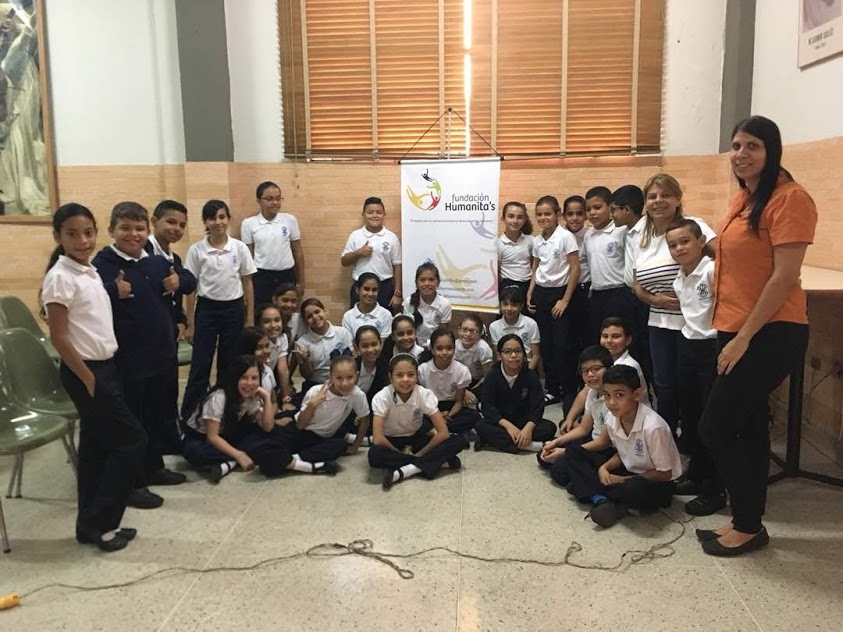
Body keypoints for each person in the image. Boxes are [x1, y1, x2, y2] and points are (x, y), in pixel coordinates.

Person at [697, 116, 817, 557]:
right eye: (736, 146)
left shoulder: (790, 199)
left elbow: (784, 278)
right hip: (733, 325)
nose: (741, 154)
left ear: (772, 151)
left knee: (715, 427)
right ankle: (747, 521)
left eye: (753, 146)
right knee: (747, 426)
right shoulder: (744, 199)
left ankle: (747, 522)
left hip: (770, 330)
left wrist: (743, 338)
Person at [42, 203, 147, 552]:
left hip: (104, 367)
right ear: (58, 236)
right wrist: (89, 379)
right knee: (131, 442)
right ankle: (103, 524)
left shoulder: (87, 271)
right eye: (72, 234)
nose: (82, 240)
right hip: (86, 371)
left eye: (88, 233)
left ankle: (89, 526)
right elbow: (59, 337)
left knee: (95, 450)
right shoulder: (60, 277)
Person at [92, 202, 184, 511]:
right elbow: (86, 301)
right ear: (112, 230)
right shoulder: (102, 265)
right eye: (126, 228)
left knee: (156, 416)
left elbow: (185, 280)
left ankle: (153, 467)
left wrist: (178, 282)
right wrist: (110, 290)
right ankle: (131, 483)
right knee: (132, 425)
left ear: (148, 230)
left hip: (160, 356)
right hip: (129, 360)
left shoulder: (155, 262)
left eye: (139, 229)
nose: (133, 234)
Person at [633, 174, 716, 432]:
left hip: (693, 324)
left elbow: (723, 261)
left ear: (678, 199)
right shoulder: (640, 237)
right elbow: (636, 284)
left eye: (665, 195)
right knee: (664, 384)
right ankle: (666, 436)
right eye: (652, 196)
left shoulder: (693, 226)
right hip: (658, 321)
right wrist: (653, 299)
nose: (658, 201)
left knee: (690, 387)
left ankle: (695, 438)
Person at [182, 356, 337, 482]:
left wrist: (266, 398)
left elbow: (268, 427)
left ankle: (228, 463)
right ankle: (304, 466)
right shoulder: (219, 397)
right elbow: (212, 437)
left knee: (273, 435)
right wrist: (239, 455)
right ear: (234, 378)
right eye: (244, 378)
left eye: (254, 378)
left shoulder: (251, 395)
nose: (250, 383)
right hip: (202, 438)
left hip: (231, 434)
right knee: (193, 451)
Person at [565, 365, 683, 528]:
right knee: (573, 451)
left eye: (619, 395)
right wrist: (605, 468)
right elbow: (624, 452)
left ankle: (593, 491)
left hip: (654, 483)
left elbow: (664, 473)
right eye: (607, 395)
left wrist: (621, 480)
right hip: (629, 470)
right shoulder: (613, 418)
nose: (611, 402)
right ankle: (601, 499)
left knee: (634, 488)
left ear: (636, 394)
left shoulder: (653, 427)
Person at [666, 219, 725, 516]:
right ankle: (697, 476)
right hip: (687, 346)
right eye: (673, 245)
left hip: (711, 348)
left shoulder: (713, 270)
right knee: (689, 416)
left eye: (685, 242)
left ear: (701, 242)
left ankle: (716, 489)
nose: (679, 248)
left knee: (710, 420)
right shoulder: (680, 279)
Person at [181, 200, 257, 420]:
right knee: (200, 365)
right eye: (212, 218)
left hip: (233, 309)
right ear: (205, 222)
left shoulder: (239, 248)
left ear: (228, 219)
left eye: (222, 217)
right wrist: (190, 323)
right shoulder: (197, 250)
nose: (218, 222)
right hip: (207, 310)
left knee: (229, 364)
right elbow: (191, 288)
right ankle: (190, 416)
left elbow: (248, 283)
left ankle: (224, 414)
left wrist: (249, 318)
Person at [368, 354, 468, 489]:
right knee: (374, 455)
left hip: (416, 438)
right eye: (399, 375)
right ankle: (432, 463)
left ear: (417, 376)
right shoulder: (382, 397)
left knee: (458, 441)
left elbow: (443, 433)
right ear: (391, 377)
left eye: (411, 375)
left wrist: (420, 454)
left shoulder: (423, 394)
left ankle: (406, 471)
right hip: (391, 441)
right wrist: (399, 453)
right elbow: (379, 438)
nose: (405, 380)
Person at [527, 195, 581, 408]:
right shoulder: (537, 240)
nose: (543, 218)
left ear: (557, 214)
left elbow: (575, 269)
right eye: (539, 214)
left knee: (562, 346)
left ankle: (568, 390)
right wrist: (530, 292)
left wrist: (565, 300)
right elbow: (536, 268)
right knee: (546, 345)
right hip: (541, 293)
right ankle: (552, 389)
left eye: (547, 214)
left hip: (560, 295)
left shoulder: (566, 237)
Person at [538, 346, 614, 476]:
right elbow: (584, 428)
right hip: (592, 439)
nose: (590, 375)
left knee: (559, 471)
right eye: (585, 371)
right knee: (544, 456)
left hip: (608, 450)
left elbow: (604, 443)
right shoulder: (592, 392)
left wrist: (566, 452)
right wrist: (556, 442)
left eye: (596, 369)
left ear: (609, 369)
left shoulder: (612, 399)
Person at [475, 334, 556, 453]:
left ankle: (502, 442)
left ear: (523, 353)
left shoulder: (530, 375)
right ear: (500, 355)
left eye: (518, 351)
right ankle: (529, 446)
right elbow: (488, 407)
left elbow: (537, 406)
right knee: (480, 425)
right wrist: (508, 426)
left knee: (549, 428)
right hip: (502, 422)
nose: (513, 355)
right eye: (507, 352)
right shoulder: (492, 376)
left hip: (523, 420)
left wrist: (528, 428)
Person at [611, 184, 652, 385]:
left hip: (644, 296)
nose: (612, 215)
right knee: (635, 345)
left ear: (626, 209)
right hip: (629, 294)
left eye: (614, 210)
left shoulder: (646, 231)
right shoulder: (628, 231)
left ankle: (649, 390)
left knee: (645, 346)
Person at [240, 181, 305, 306]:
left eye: (278, 198)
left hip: (286, 275)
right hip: (262, 276)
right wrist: (247, 285)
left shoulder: (289, 220)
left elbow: (297, 251)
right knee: (262, 310)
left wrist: (301, 281)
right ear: (259, 201)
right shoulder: (249, 223)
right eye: (269, 199)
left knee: (287, 310)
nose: (275, 203)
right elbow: (247, 257)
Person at [294, 355, 370, 457]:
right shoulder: (315, 391)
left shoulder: (357, 394)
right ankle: (298, 460)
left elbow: (365, 419)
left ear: (357, 376)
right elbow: (299, 425)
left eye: (350, 377)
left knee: (339, 446)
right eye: (339, 378)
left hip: (324, 437)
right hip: (302, 431)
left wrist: (356, 446)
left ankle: (298, 459)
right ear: (330, 377)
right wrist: (312, 405)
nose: (344, 383)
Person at [144, 200, 197, 345]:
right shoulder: (142, 252)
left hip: (168, 330)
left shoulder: (175, 259)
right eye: (171, 222)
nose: (177, 229)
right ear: (154, 222)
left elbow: (190, 282)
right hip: (146, 330)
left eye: (182, 225)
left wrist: (181, 320)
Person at [585, 187, 631, 343]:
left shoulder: (621, 231)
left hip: (618, 293)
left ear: (609, 207)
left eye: (597, 207)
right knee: (598, 337)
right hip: (597, 295)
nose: (592, 213)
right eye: (588, 209)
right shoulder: (588, 235)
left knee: (618, 338)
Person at [341, 196, 403, 309]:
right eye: (370, 212)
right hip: (361, 287)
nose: (374, 215)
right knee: (357, 319)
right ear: (363, 214)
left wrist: (397, 293)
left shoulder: (391, 237)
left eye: (379, 212)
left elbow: (397, 265)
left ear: (384, 214)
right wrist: (358, 253)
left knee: (385, 319)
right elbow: (344, 261)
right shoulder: (355, 236)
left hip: (384, 288)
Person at [418, 329, 481, 434]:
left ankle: (438, 431)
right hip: (430, 409)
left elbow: (459, 401)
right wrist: (437, 416)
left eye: (449, 348)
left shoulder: (461, 370)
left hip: (452, 409)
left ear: (454, 349)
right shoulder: (422, 370)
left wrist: (448, 416)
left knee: (474, 417)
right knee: (416, 419)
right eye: (439, 348)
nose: (444, 353)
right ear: (432, 350)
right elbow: (422, 402)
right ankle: (447, 432)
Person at [344, 325, 390, 446]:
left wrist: (364, 413)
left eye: (374, 344)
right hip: (352, 410)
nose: (370, 350)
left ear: (381, 344)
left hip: (373, 411)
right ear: (357, 347)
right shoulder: (351, 366)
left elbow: (384, 398)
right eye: (365, 346)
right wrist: (357, 412)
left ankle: (364, 438)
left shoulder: (387, 367)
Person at [295, 298, 354, 391]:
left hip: (342, 383)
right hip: (316, 385)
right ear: (305, 321)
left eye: (317, 312)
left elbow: (352, 362)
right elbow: (307, 376)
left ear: (325, 311)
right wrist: (305, 361)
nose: (315, 317)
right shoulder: (302, 343)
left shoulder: (343, 333)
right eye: (309, 316)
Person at [562, 194, 592, 358]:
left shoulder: (591, 235)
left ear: (585, 215)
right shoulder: (559, 236)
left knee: (587, 335)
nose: (574, 218)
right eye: (570, 214)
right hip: (564, 291)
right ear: (563, 216)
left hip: (586, 290)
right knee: (567, 338)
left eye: (579, 213)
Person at [598, 317, 650, 407]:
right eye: (605, 336)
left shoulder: (628, 366)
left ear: (628, 340)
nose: (609, 341)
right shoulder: (601, 360)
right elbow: (587, 392)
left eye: (615, 336)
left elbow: (621, 405)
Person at [489, 285, 541, 371]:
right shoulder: (494, 326)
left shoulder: (531, 324)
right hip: (506, 367)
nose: (509, 308)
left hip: (527, 366)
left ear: (521, 306)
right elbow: (499, 356)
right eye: (505, 304)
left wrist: (527, 374)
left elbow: (535, 355)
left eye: (514, 305)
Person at [255, 303, 295, 411]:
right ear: (259, 324)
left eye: (277, 320)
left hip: (269, 381)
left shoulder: (282, 338)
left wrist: (286, 399)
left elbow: (283, 369)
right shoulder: (255, 340)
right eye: (267, 321)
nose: (273, 325)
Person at [403, 262, 452, 348]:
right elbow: (407, 330)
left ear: (438, 283)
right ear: (416, 283)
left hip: (435, 346)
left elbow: (442, 334)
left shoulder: (445, 304)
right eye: (422, 280)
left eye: (431, 280)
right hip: (412, 345)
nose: (427, 283)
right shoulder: (408, 302)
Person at [496, 201, 534, 302]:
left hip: (528, 286)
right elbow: (497, 272)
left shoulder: (531, 240)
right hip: (507, 287)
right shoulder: (498, 244)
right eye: (511, 216)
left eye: (520, 217)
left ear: (524, 220)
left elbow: (534, 265)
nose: (515, 221)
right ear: (503, 219)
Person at [454, 313, 493, 404]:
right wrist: (464, 391)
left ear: (479, 334)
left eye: (472, 331)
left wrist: (472, 390)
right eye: (464, 329)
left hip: (478, 381)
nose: (468, 334)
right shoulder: (454, 346)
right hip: (458, 381)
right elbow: (452, 373)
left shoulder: (483, 348)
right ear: (459, 330)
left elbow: (487, 375)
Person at [342, 272, 393, 339]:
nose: (370, 294)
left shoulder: (386, 315)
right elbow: (349, 343)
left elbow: (384, 342)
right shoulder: (348, 316)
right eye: (366, 289)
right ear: (357, 290)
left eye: (374, 290)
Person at [237, 326, 276, 402]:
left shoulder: (268, 371)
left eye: (267, 346)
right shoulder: (238, 375)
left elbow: (273, 401)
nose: (265, 351)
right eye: (259, 348)